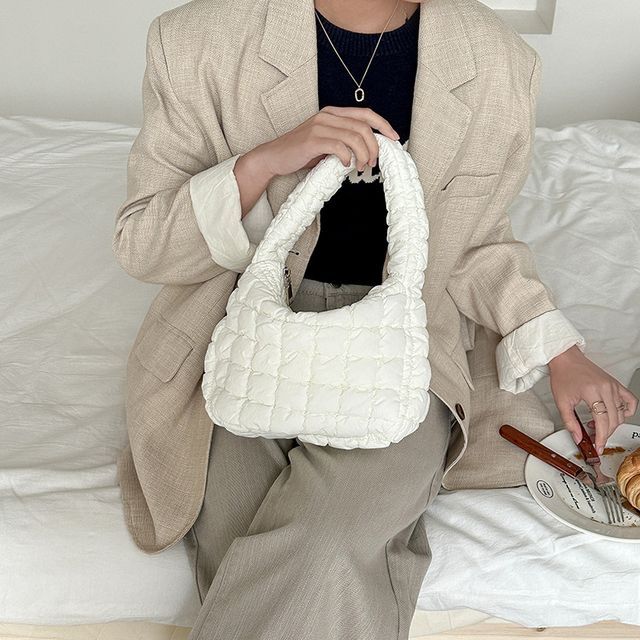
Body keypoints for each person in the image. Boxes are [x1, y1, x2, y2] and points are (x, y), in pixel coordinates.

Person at [114, 1, 638, 639]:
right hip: (239, 332)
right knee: (243, 540)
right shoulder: (196, 41)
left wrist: (561, 351)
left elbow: (473, 243)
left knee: (325, 542)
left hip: (409, 336)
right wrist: (265, 162)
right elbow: (144, 245)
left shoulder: (498, 61)